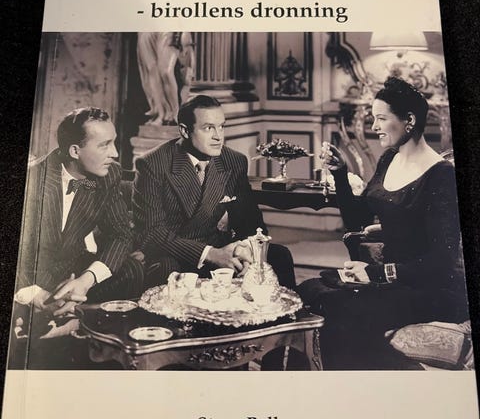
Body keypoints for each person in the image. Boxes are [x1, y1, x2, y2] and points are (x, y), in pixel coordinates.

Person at [298, 77, 469, 369]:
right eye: (373, 118)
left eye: (381, 118)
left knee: (343, 311)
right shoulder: (389, 158)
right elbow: (357, 219)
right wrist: (340, 174)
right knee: (310, 290)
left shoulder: (441, 176)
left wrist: (375, 273)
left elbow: (441, 261)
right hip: (390, 281)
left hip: (430, 289)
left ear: (409, 121)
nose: (374, 126)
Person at [132, 95, 296, 290]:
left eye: (221, 127)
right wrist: (210, 254)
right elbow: (153, 233)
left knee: (279, 256)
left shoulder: (234, 161)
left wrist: (246, 252)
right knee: (167, 269)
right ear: (185, 130)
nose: (218, 136)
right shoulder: (153, 164)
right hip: (175, 253)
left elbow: (251, 223)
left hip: (221, 248)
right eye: (208, 128)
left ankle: (288, 309)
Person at [14, 107, 144, 318]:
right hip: (29, 276)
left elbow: (120, 234)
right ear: (75, 151)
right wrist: (37, 296)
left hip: (71, 270)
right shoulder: (30, 182)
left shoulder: (107, 175)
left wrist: (86, 280)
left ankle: (75, 312)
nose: (115, 153)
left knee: (132, 270)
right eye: (104, 145)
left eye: (113, 142)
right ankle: (65, 314)